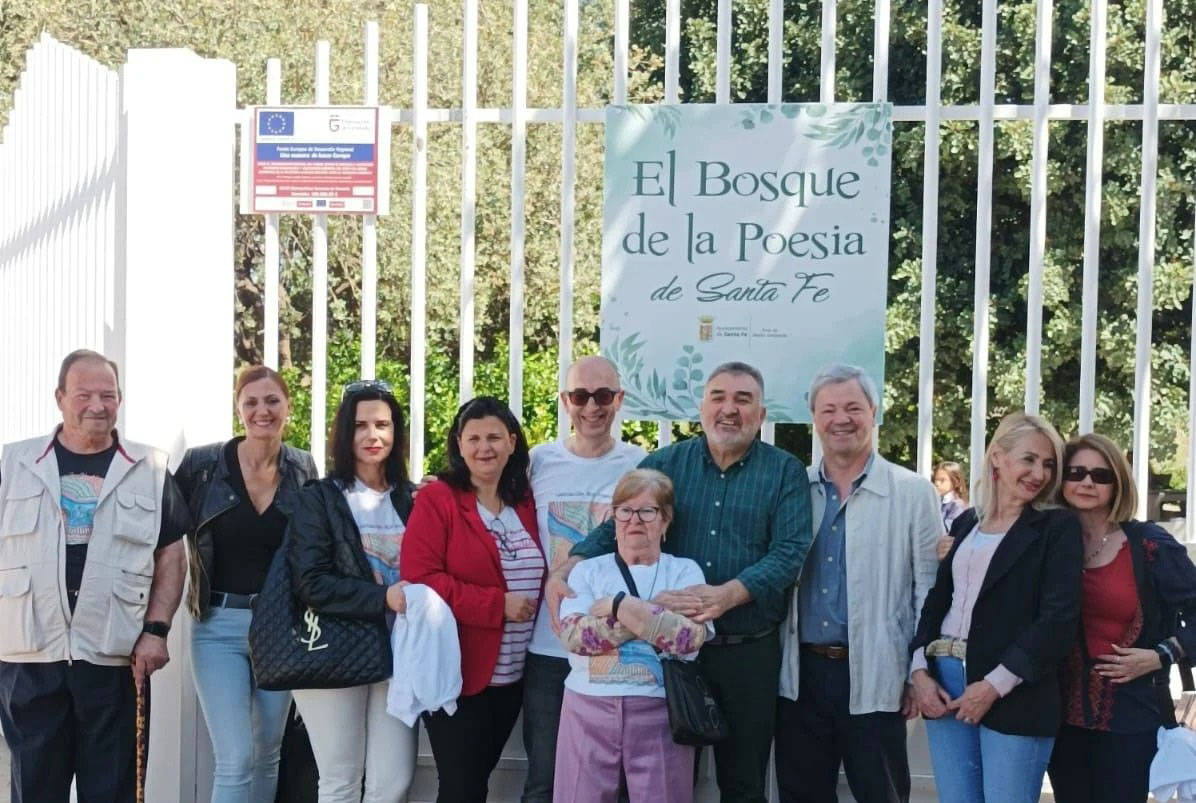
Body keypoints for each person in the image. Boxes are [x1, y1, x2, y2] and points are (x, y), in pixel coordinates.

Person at [552, 361, 813, 803]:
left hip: (746, 651)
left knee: (743, 782)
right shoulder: (666, 463)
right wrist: (568, 566)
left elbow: (790, 552)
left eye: (743, 400)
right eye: (718, 397)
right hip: (668, 656)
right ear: (701, 407)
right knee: (668, 783)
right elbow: (618, 523)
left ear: (761, 414)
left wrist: (728, 595)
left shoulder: (784, 471)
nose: (729, 409)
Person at [0, 349, 189, 803]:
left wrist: (156, 631)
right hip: (30, 656)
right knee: (35, 790)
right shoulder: (12, 464)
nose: (97, 406)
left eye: (108, 395)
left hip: (115, 657)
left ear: (119, 399)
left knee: (112, 791)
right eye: (83, 395)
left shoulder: (149, 468)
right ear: (60, 398)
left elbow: (171, 555)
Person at [774, 363, 942, 803]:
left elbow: (929, 591)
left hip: (877, 672)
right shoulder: (794, 488)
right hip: (801, 676)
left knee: (880, 793)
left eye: (853, 407)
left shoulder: (913, 492)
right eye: (828, 409)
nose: (841, 419)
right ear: (814, 418)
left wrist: (917, 671)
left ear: (874, 412)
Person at [910, 412, 1082, 803]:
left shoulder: (1057, 528)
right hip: (944, 682)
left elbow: (1057, 621)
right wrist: (919, 670)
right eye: (1029, 459)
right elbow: (936, 603)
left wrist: (992, 687)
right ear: (997, 458)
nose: (1039, 473)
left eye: (1048, 464)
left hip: (1013, 689)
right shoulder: (967, 522)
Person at [174, 365, 318, 803]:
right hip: (218, 626)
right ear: (238, 409)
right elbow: (159, 528)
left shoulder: (302, 467)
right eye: (251, 402)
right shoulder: (202, 465)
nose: (262, 411)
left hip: (281, 630)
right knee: (235, 757)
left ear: (288, 406)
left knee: (267, 752)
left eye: (272, 401)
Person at [401, 396, 546, 803]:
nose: (485, 448)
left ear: (512, 442)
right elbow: (421, 578)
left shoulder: (525, 501)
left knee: (475, 782)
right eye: (474, 438)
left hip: (513, 676)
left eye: (494, 438)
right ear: (459, 444)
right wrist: (497, 605)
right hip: (457, 673)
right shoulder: (438, 499)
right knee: (461, 788)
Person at [521, 355, 646, 803]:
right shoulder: (538, 462)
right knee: (545, 779)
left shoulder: (640, 464)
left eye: (603, 396)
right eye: (580, 396)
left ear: (619, 399)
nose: (592, 407)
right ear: (565, 401)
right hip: (550, 646)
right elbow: (485, 496)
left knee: (616, 786)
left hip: (617, 644)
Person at [286, 380, 417, 803]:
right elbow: (311, 582)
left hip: (398, 654)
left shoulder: (412, 499)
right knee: (340, 781)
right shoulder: (319, 499)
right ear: (345, 433)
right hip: (334, 649)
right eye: (360, 425)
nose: (372, 435)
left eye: (382, 424)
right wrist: (383, 598)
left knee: (392, 781)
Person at [1047, 433, 1196, 803]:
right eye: (1076, 472)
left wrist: (1162, 654)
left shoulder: (1149, 545)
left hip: (1131, 717)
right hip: (1057, 718)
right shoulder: (1045, 542)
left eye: (1100, 475)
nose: (1086, 482)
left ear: (1118, 484)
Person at [554, 469, 711, 803]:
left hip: (662, 710)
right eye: (625, 511)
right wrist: (653, 609)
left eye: (647, 511)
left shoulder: (685, 571)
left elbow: (687, 638)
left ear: (665, 520)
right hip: (587, 709)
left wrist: (616, 606)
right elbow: (576, 637)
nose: (634, 520)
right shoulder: (587, 571)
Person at [934, 460, 969, 533]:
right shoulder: (939, 501)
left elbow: (948, 530)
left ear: (956, 482)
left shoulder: (957, 505)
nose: (937, 483)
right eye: (935, 480)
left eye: (942, 480)